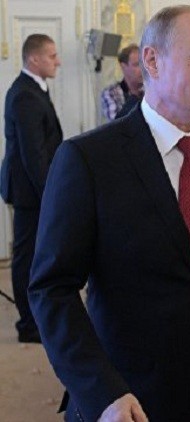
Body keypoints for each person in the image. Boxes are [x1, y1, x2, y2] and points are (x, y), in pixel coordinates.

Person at [28, 6, 190, 421]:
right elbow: (52, 289)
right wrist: (101, 391)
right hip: (134, 392)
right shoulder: (88, 159)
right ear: (152, 61)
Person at [0, 34, 62, 344]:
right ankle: (28, 324)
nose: (58, 62)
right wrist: (51, 192)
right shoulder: (25, 95)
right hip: (29, 191)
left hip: (33, 188)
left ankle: (36, 315)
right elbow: (33, 154)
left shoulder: (34, 88)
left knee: (35, 253)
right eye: (52, 56)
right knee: (25, 256)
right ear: (34, 59)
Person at [100, 43, 143, 121]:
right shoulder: (111, 93)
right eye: (136, 65)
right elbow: (116, 123)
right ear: (123, 67)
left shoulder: (152, 90)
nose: (142, 69)